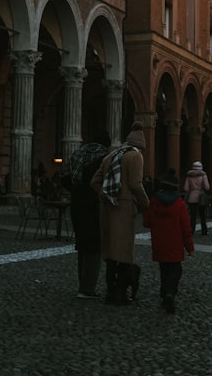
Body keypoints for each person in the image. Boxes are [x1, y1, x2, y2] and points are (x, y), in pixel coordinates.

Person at [90, 123, 150, 306]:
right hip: (123, 208)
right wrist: (147, 203)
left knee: (110, 251)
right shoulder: (135, 157)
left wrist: (104, 194)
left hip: (107, 207)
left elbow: (94, 181)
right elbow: (136, 184)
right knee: (124, 252)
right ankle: (120, 294)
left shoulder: (111, 156)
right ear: (141, 145)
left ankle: (110, 291)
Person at [60, 132, 109, 299]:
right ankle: (87, 288)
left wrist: (75, 190)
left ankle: (82, 282)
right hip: (94, 203)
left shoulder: (77, 153)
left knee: (82, 244)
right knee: (95, 246)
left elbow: (64, 177)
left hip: (77, 203)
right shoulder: (104, 157)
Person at [143, 172, 195, 313]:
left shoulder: (154, 202)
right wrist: (189, 247)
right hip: (175, 244)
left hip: (159, 243)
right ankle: (170, 293)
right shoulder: (179, 204)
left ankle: (163, 293)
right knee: (175, 270)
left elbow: (146, 222)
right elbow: (186, 228)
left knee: (164, 269)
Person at [184, 161, 210, 236]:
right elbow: (207, 187)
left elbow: (186, 188)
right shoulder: (203, 175)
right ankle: (204, 231)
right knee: (202, 215)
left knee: (193, 215)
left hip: (192, 197)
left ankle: (191, 230)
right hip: (200, 197)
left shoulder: (189, 176)